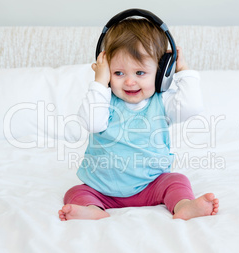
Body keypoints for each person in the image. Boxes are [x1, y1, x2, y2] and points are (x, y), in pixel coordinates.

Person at [58, 15, 219, 221]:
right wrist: (99, 83)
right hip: (102, 188)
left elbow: (192, 106)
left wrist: (182, 70)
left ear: (161, 72)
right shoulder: (103, 100)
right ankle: (93, 209)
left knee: (177, 181)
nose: (130, 81)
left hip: (151, 185)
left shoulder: (162, 102)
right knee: (74, 192)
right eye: (118, 73)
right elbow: (91, 122)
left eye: (140, 72)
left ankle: (183, 205)